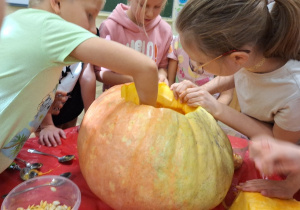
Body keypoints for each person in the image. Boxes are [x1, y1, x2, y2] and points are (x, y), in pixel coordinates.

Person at [0, 0, 158, 174]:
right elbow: (146, 69)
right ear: (57, 3)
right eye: (89, 15)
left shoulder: (20, 20)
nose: (92, 28)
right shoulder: (51, 28)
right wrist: (148, 131)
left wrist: (43, 99)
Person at [171, 0, 300, 199]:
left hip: (289, 168)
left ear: (238, 57)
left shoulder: (293, 91)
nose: (196, 68)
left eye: (200, 63)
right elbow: (237, 72)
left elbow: (277, 143)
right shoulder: (254, 45)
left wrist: (216, 106)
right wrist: (201, 90)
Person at [95, 0, 173, 90]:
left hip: (149, 98)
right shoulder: (110, 27)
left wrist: (161, 76)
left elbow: (162, 67)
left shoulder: (165, 31)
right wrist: (134, 79)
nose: (150, 14)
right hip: (117, 98)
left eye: (157, 7)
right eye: (143, 5)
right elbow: (100, 73)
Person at [37, 63, 95, 147]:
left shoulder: (85, 50)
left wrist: (90, 117)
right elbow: (38, 81)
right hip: (43, 114)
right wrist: (47, 124)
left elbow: (87, 76)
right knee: (48, 144)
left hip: (70, 108)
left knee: (66, 144)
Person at [167, 35, 234, 106]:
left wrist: (211, 113)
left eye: (202, 63)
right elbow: (170, 83)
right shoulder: (178, 42)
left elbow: (227, 95)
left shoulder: (224, 49)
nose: (196, 67)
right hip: (180, 102)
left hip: (210, 106)